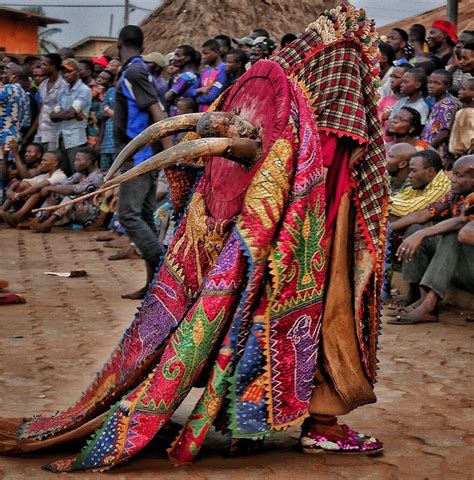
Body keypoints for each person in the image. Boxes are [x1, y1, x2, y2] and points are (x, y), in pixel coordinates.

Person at [0, 5, 386, 470]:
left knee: (269, 320)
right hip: (307, 246)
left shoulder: (306, 113)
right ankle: (321, 428)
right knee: (320, 320)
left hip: (283, 241)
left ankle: (274, 422)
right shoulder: (326, 116)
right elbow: (324, 178)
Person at [115, 25, 173, 299]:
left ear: (119, 44)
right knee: (146, 218)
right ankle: (153, 285)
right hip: (142, 154)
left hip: (138, 156)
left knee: (129, 215)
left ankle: (165, 271)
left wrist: (169, 154)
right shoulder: (139, 71)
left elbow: (157, 113)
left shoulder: (134, 72)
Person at [388, 155, 474, 324]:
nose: (453, 179)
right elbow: (423, 214)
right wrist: (387, 231)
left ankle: (429, 305)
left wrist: (424, 233)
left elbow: (462, 224)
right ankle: (422, 299)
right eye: (453, 174)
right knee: (414, 230)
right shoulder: (454, 195)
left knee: (451, 235)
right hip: (463, 267)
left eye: (459, 175)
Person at [30, 147, 103, 233]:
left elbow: (72, 190)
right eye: (75, 160)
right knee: (56, 191)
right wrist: (51, 188)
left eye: (78, 160)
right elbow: (62, 185)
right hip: (76, 210)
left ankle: (48, 223)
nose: (75, 163)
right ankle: (38, 219)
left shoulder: (96, 176)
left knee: (72, 196)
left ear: (89, 162)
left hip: (91, 214)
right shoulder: (81, 173)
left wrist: (49, 188)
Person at [0, 150, 66, 226]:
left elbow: (39, 186)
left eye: (44, 160)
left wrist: (20, 195)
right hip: (41, 207)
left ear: (55, 163)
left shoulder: (60, 175)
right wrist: (10, 190)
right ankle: (2, 210)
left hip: (53, 208)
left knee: (37, 192)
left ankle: (18, 216)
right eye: (41, 160)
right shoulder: (45, 176)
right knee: (24, 185)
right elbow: (21, 182)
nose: (41, 163)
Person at [50, 58, 92, 176]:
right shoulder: (63, 90)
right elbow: (53, 115)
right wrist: (68, 114)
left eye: (69, 71)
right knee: (64, 173)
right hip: (61, 137)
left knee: (77, 172)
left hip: (75, 139)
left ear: (78, 71)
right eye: (64, 72)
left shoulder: (84, 90)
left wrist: (67, 114)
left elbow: (70, 113)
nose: (66, 74)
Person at [390, 150, 451, 219]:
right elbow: (397, 200)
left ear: (430, 171)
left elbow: (408, 209)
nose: (409, 175)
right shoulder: (420, 183)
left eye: (414, 170)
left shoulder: (442, 186)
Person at [421, 70, 461, 169]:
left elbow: (444, 132)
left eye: (437, 83)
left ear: (447, 86)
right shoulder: (436, 102)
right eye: (430, 82)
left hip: (437, 151)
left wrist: (428, 149)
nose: (431, 85)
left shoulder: (447, 104)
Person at [32, 54, 66, 153]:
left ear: (53, 67)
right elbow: (41, 110)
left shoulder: (63, 85)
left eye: (44, 64)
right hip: (41, 131)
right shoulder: (43, 84)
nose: (41, 67)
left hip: (54, 133)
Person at [191, 39, 228, 112]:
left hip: (213, 115)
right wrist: (199, 90)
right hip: (200, 113)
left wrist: (196, 99)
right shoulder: (205, 71)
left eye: (206, 53)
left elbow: (212, 97)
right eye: (203, 54)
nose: (203, 57)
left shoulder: (223, 70)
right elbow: (189, 91)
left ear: (216, 52)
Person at [378, 63, 412, 140]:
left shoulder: (408, 102)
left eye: (396, 77)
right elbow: (375, 115)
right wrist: (383, 116)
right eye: (391, 76)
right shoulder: (386, 99)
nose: (392, 80)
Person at [0, 62, 30, 149]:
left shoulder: (8, 88)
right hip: (16, 138)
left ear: (14, 76)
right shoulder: (24, 94)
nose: (2, 76)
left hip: (4, 137)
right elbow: (26, 123)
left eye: (5, 73)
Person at [165, 45, 198, 117]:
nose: (174, 58)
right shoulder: (184, 75)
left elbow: (167, 97)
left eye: (178, 55)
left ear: (187, 58)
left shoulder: (186, 77)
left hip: (178, 116)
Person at [96, 70, 116, 171]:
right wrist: (110, 112)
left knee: (118, 172)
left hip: (117, 141)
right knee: (104, 173)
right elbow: (100, 113)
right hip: (106, 141)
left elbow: (120, 115)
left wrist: (108, 110)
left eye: (104, 78)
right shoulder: (111, 91)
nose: (99, 80)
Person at [449, 78, 474, 158]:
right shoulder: (462, 111)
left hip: (464, 157)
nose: (459, 91)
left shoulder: (466, 113)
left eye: (463, 89)